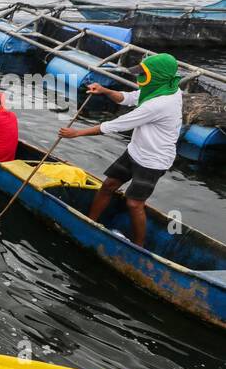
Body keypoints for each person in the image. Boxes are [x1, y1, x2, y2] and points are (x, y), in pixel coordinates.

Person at [57, 54, 183, 249]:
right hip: (136, 151)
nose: (140, 78)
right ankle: (90, 222)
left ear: (157, 76)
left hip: (153, 161)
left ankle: (138, 247)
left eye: (144, 75)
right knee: (108, 185)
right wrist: (104, 90)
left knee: (134, 203)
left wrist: (77, 133)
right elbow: (129, 98)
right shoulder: (161, 88)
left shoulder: (159, 104)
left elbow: (115, 125)